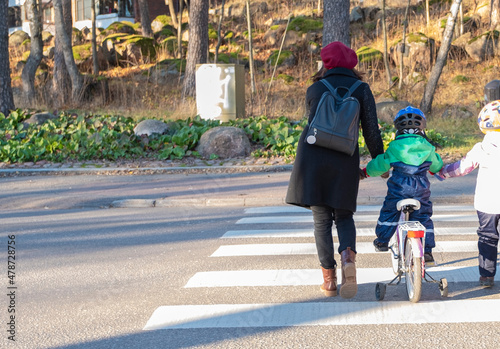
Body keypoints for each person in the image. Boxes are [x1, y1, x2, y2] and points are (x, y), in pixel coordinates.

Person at [286, 41, 384, 299]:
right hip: (344, 158)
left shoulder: (315, 88)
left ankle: (329, 281)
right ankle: (348, 261)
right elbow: (371, 130)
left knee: (321, 221)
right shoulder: (362, 89)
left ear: (325, 62)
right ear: (352, 63)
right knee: (343, 216)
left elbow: (314, 123)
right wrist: (380, 162)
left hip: (313, 158)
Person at [362, 106, 443, 264]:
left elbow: (380, 164)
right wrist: (435, 169)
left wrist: (365, 172)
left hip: (399, 188)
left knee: (390, 211)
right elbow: (436, 166)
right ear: (422, 127)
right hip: (421, 189)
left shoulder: (394, 147)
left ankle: (382, 241)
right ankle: (427, 251)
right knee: (424, 217)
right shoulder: (428, 147)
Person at [437, 100, 500, 287]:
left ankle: (486, 276)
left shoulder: (481, 148)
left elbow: (462, 168)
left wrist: (442, 172)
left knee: (488, 237)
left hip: (487, 202)